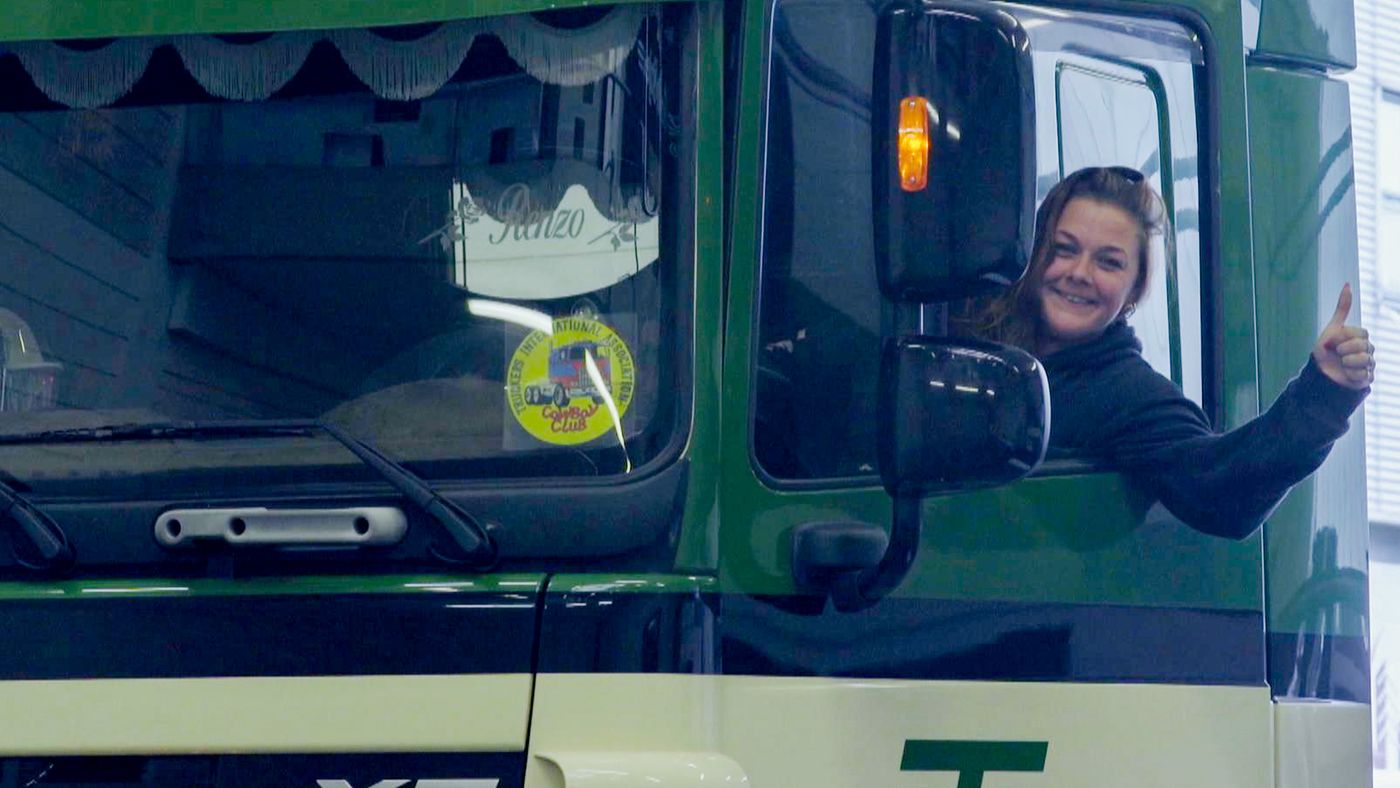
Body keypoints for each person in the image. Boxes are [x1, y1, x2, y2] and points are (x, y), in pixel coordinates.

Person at [960, 166, 1374, 539]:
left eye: (1108, 263)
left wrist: (1323, 397)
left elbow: (1221, 487)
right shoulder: (966, 338)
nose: (1079, 273)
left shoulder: (1126, 394)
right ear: (1032, 255)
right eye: (1064, 249)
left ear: (1133, 290)